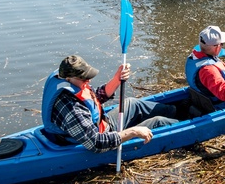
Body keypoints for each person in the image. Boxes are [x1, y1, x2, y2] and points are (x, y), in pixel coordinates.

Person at [41, 55, 179, 152]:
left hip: (102, 125)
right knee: (158, 122)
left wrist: (117, 79)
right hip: (100, 138)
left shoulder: (68, 81)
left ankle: (177, 110)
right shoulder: (71, 108)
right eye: (84, 79)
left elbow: (94, 98)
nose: (88, 81)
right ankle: (185, 121)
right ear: (69, 78)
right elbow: (97, 143)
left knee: (132, 103)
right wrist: (133, 132)